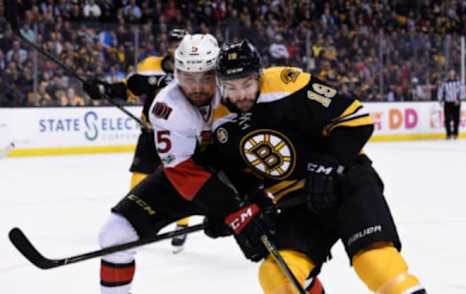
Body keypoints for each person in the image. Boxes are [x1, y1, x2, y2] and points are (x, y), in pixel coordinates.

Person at [203, 40, 427, 294]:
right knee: (277, 275)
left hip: (346, 182)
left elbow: (356, 120)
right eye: (231, 87)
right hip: (296, 203)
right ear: (220, 84)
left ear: (259, 75)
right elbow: (240, 177)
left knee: (375, 262)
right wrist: (231, 213)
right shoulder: (218, 120)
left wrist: (329, 165)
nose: (240, 94)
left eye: (247, 84)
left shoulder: (287, 85)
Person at [94, 33, 246, 294]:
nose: (197, 86)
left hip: (240, 177)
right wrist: (226, 208)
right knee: (115, 234)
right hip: (187, 176)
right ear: (176, 73)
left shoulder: (239, 91)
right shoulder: (166, 106)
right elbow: (183, 173)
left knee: (279, 245)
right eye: (188, 77)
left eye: (205, 77)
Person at [84, 29, 194, 252]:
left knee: (182, 177)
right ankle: (135, 219)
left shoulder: (195, 71)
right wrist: (105, 89)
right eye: (172, 43)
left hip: (181, 135)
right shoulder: (150, 66)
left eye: (180, 43)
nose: (175, 47)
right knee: (140, 176)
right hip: (150, 132)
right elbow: (129, 88)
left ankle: (181, 225)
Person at [437, 69, 464, 139]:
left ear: (454, 74)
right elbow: (440, 91)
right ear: (448, 75)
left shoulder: (458, 82)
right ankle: (448, 134)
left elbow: (461, 91)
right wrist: (440, 100)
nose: (451, 75)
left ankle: (455, 133)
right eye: (450, 74)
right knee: (447, 119)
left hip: (456, 102)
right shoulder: (445, 83)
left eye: (453, 74)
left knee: (456, 119)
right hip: (447, 102)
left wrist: (459, 99)